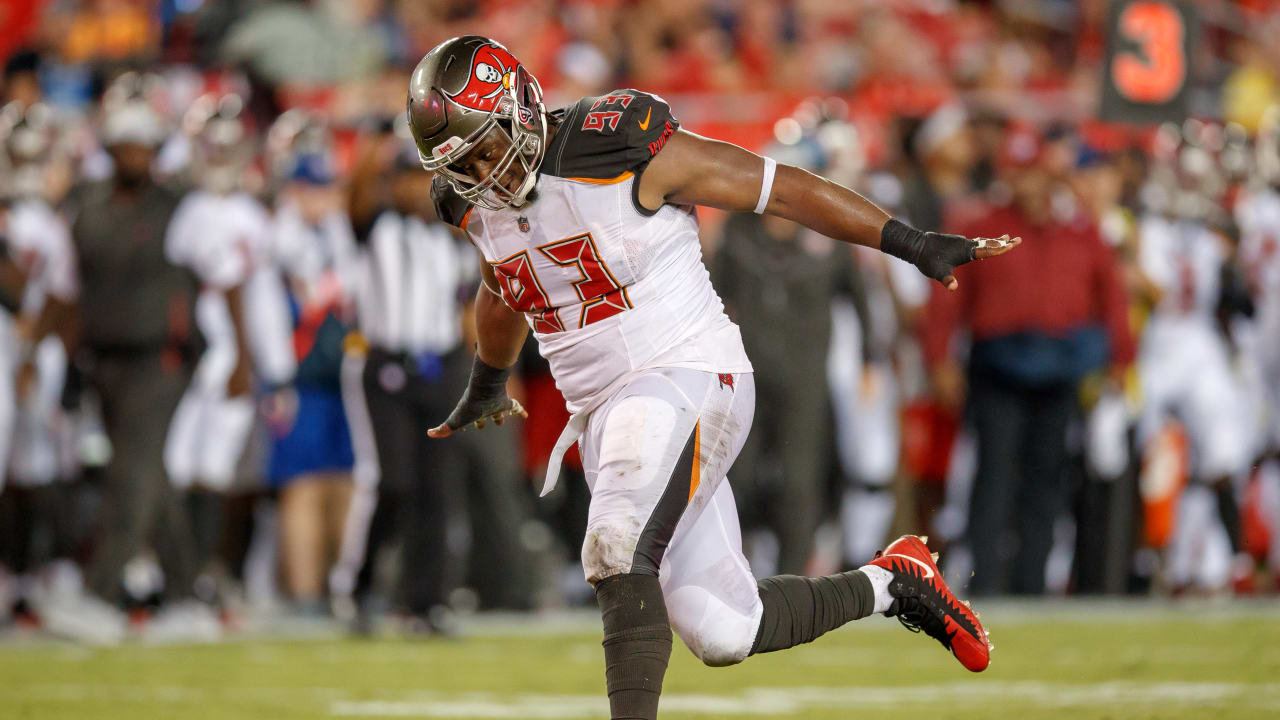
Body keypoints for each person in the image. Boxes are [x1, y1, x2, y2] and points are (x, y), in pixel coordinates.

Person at [409, 36, 1015, 719]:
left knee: (615, 547)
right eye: (463, 164)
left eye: (487, 147)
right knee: (726, 628)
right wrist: (489, 380)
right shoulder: (467, 202)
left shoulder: (609, 146)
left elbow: (777, 191)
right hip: (610, 412)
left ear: (519, 105)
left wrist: (907, 241)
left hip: (687, 370)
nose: (483, 173)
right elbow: (503, 284)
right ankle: (893, 582)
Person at [920, 127, 1134, 596]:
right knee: (993, 476)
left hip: (1059, 368)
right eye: (1019, 174)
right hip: (998, 365)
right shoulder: (981, 225)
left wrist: (1121, 356)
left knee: (1047, 478)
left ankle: (1032, 583)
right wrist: (940, 359)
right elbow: (948, 295)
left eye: (1034, 173)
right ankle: (987, 581)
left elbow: (1110, 295)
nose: (1028, 184)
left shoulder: (1079, 229)